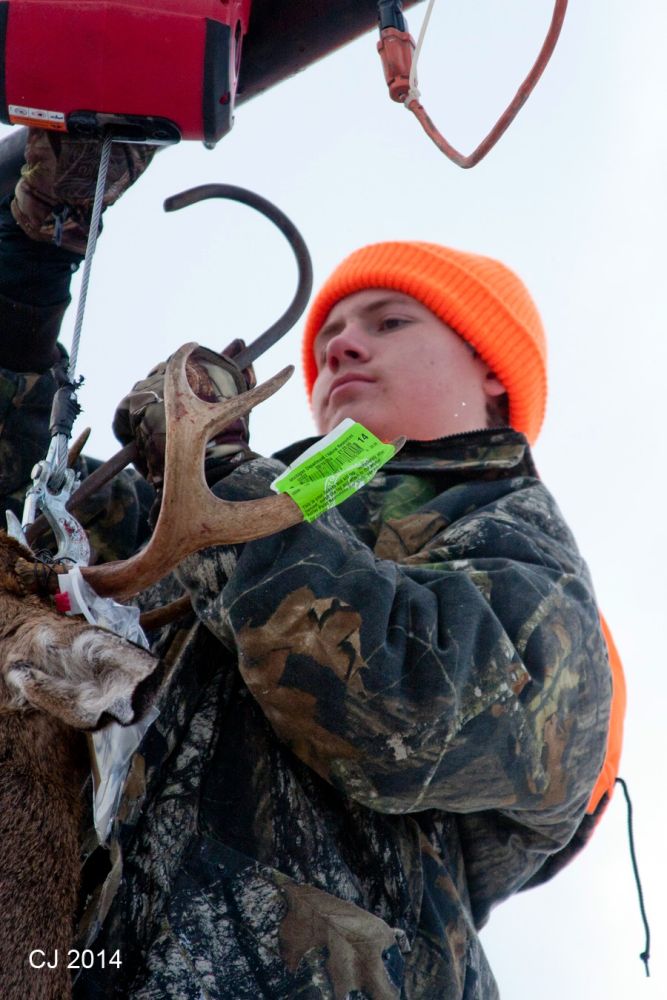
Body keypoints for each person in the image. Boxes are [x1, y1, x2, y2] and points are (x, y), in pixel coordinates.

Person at [0, 132, 616, 999]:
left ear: (490, 368)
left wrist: (218, 472)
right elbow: (38, 524)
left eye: (389, 322)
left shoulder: (521, 546)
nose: (340, 348)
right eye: (328, 336)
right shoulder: (232, 515)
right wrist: (28, 282)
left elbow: (403, 710)